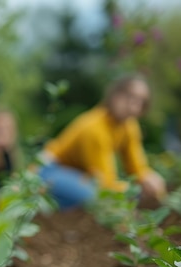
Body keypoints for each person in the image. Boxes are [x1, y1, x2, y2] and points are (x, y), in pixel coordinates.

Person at [37, 74, 167, 210]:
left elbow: (136, 168)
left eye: (141, 101)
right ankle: (42, 201)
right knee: (93, 196)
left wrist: (149, 179)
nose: (134, 106)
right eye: (130, 97)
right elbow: (105, 184)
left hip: (78, 174)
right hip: (49, 169)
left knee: (127, 195)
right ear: (115, 95)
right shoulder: (95, 129)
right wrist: (133, 190)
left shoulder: (129, 126)